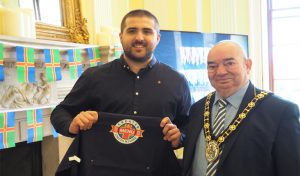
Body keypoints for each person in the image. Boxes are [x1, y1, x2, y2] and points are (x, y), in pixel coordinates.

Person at [51, 9, 191, 175]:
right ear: (121, 37)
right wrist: (72, 125)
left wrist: (179, 137)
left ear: (158, 38)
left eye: (147, 31)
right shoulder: (94, 77)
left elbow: (189, 125)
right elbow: (60, 112)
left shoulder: (177, 81)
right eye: (132, 31)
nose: (139, 37)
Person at [182, 40, 300, 176]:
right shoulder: (198, 108)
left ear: (247, 65)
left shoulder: (280, 111)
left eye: (229, 63)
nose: (220, 72)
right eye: (212, 66)